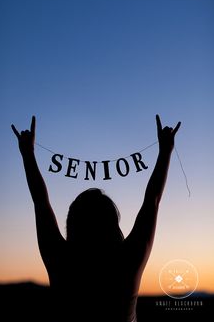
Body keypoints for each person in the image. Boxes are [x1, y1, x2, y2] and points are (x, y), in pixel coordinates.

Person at [11, 114, 181, 322]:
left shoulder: (60, 259)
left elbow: (40, 201)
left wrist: (27, 154)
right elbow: (152, 201)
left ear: (72, 222)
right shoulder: (129, 260)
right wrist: (165, 152)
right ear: (112, 223)